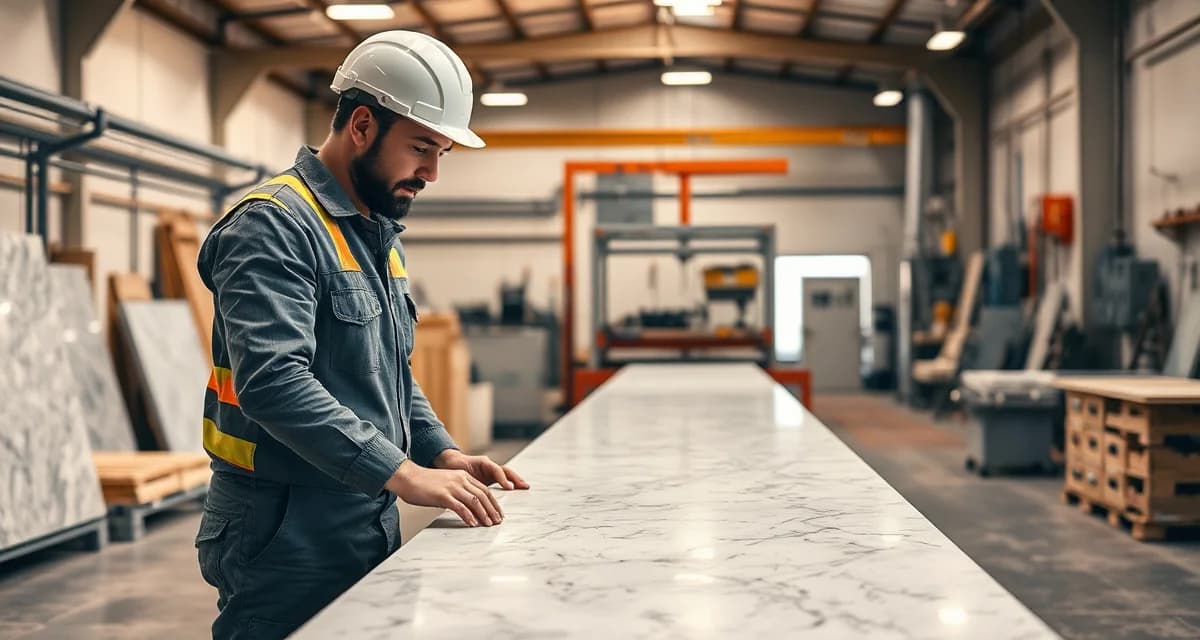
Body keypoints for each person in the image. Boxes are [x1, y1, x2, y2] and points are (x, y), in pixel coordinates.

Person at [193, 30, 529, 640]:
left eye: (442, 154)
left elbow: (389, 371)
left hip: (360, 507)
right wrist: (402, 473)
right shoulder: (274, 226)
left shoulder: (372, 233)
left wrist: (439, 452)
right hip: (283, 526)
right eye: (421, 147)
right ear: (363, 126)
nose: (430, 172)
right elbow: (273, 382)